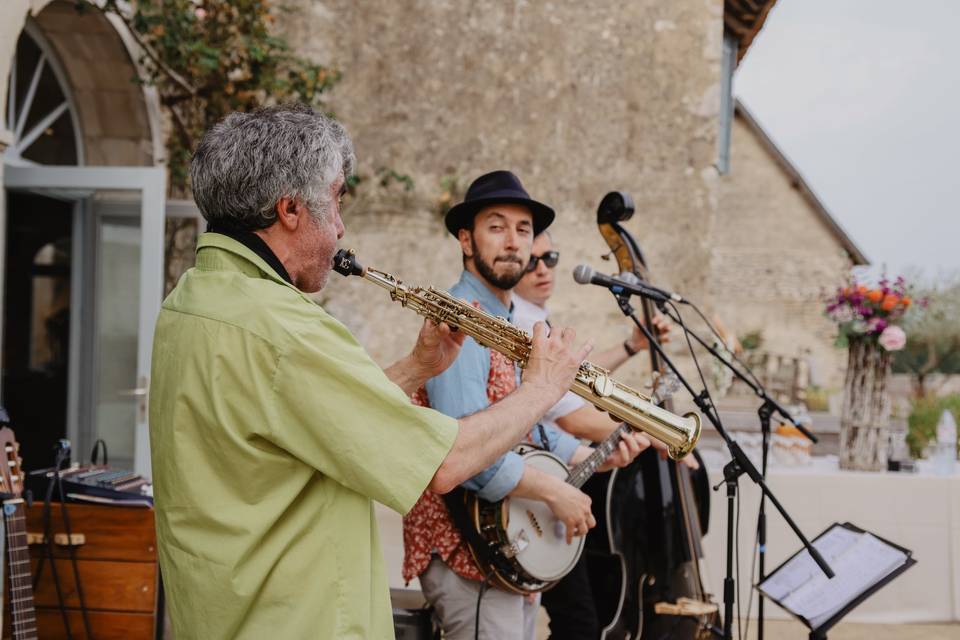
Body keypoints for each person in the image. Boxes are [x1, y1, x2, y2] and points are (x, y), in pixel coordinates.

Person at [149, 106, 593, 640]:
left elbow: (301, 417)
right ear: (290, 209)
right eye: (337, 200)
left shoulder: (189, 301)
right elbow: (447, 463)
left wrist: (417, 367)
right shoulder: (286, 330)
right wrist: (544, 386)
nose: (340, 226)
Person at [401, 171, 649, 640]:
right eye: (496, 227)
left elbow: (528, 427)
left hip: (503, 550)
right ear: (466, 240)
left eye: (523, 229)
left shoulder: (512, 321)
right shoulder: (461, 318)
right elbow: (464, 451)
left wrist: (590, 457)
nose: (514, 242)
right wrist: (555, 491)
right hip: (465, 551)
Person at [513, 231, 695, 639]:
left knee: (570, 617)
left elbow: (579, 378)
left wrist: (630, 348)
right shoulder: (522, 321)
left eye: (550, 258)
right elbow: (574, 416)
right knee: (576, 621)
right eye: (531, 261)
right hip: (542, 489)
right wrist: (657, 430)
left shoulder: (532, 315)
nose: (543, 269)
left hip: (558, 477)